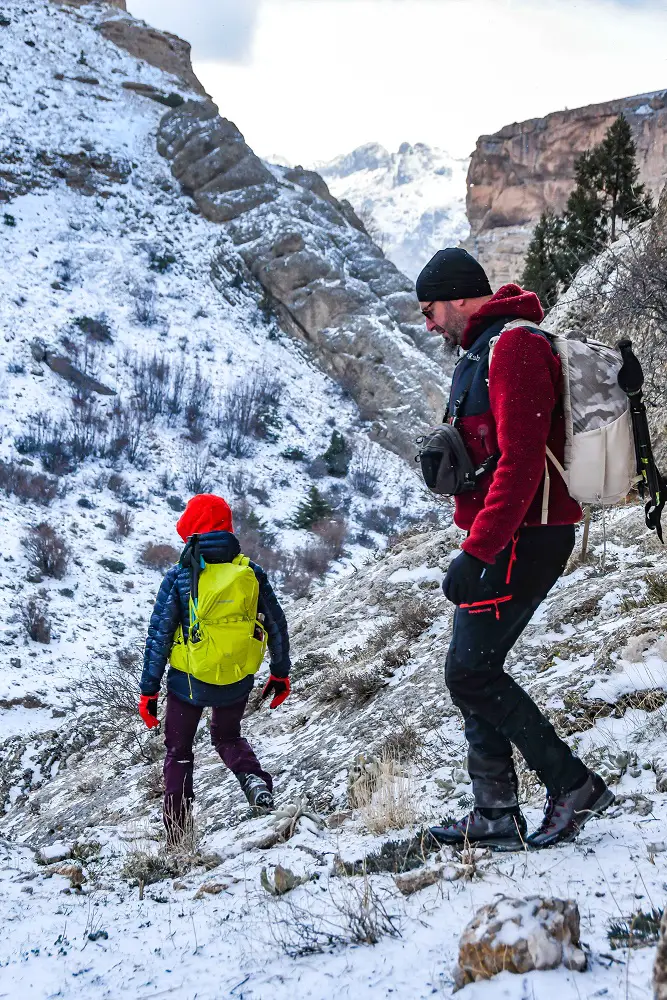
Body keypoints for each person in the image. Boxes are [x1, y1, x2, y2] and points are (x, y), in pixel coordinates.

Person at [417, 248, 613, 850]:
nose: (429, 324)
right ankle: (495, 814)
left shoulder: (515, 348)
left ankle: (571, 783)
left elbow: (523, 464)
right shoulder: (479, 352)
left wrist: (478, 552)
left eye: (430, 310)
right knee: (470, 669)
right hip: (500, 537)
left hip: (527, 537)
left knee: (471, 672)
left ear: (457, 297)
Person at [138, 493, 290, 844]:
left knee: (179, 753)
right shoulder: (249, 571)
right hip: (236, 677)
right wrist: (280, 672)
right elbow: (276, 624)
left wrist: (149, 691)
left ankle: (178, 837)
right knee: (227, 736)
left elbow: (159, 636)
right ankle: (253, 780)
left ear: (193, 527)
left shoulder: (179, 575)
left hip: (187, 684)